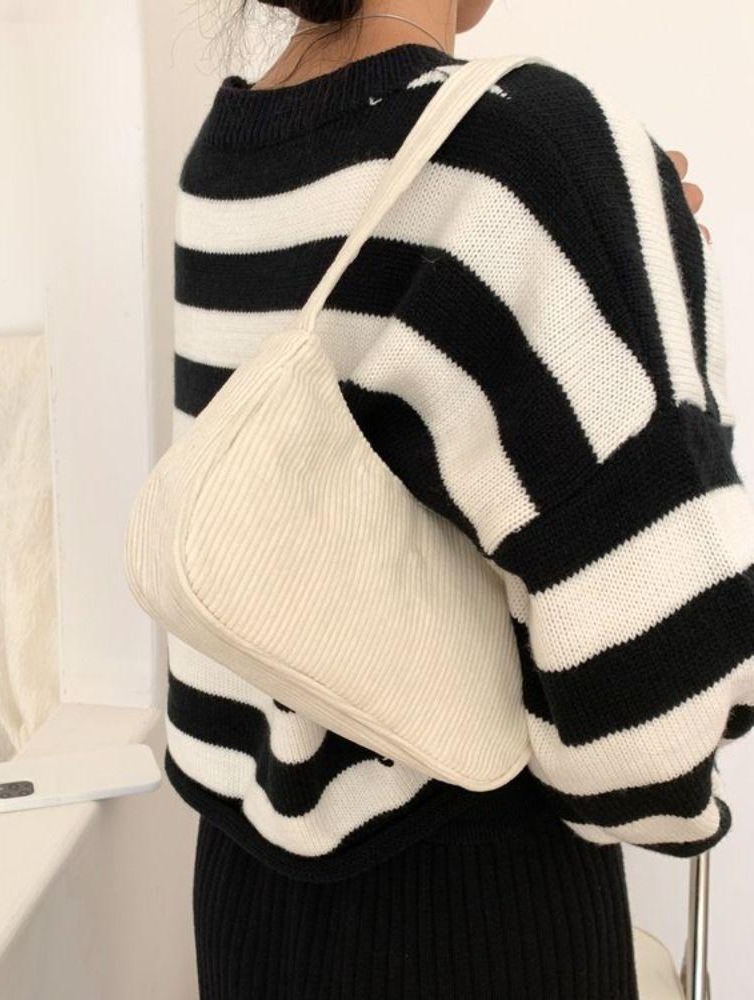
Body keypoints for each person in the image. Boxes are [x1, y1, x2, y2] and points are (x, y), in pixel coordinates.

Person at [164, 2, 753, 997]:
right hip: (475, 910)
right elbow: (655, 711)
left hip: (243, 889)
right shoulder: (520, 148)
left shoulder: (223, 153)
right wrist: (657, 284)